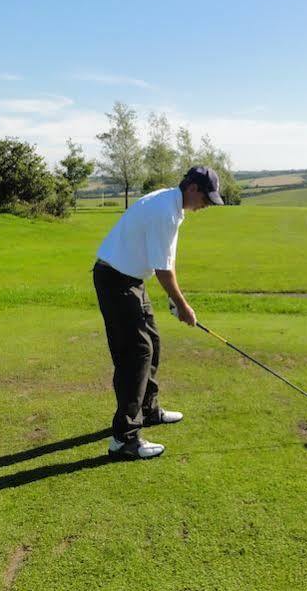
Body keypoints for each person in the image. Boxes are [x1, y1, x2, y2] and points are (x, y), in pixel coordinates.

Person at [92, 165, 223, 460]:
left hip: (131, 279)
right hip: (116, 281)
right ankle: (124, 438)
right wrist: (184, 305)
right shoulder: (165, 210)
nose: (206, 205)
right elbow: (163, 270)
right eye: (206, 198)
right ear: (192, 188)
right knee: (136, 352)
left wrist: (176, 301)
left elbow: (165, 261)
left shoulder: (173, 207)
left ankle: (149, 410)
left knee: (152, 342)